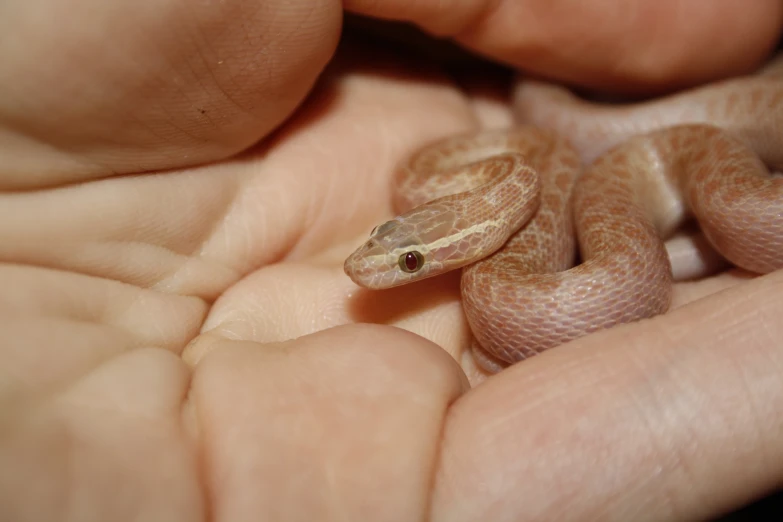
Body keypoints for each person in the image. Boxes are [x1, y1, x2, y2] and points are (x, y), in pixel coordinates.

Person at [2, 0, 781, 520]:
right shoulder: (497, 194)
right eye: (399, 245)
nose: (374, 269)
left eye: (407, 264)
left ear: (458, 241)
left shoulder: (529, 191)